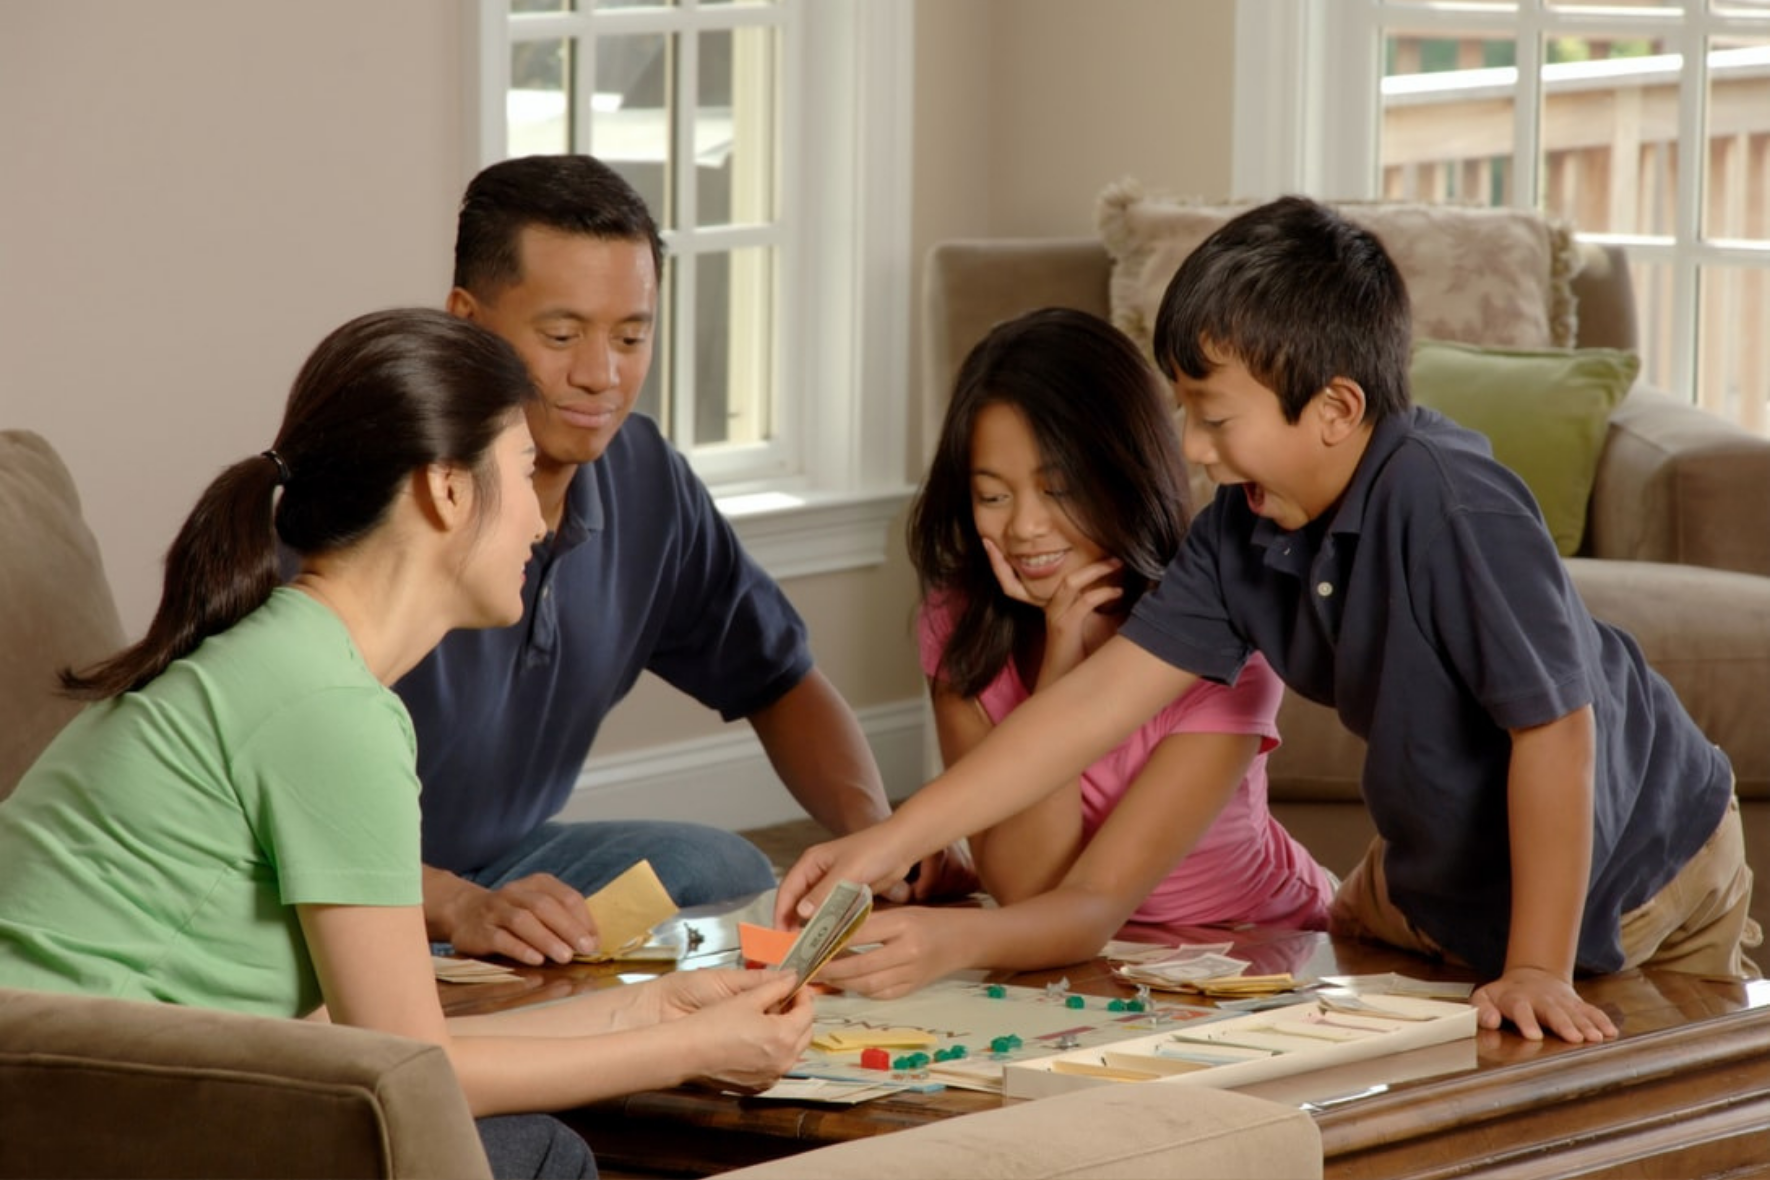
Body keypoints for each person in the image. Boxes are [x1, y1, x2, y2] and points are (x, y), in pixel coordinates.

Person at [778, 196, 1759, 1045]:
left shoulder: (1451, 501)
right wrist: (887, 841)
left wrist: (1539, 964)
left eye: (1214, 417)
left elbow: (1555, 730)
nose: (1195, 452)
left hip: (1637, 858)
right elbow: (1083, 714)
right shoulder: (1239, 536)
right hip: (1442, 874)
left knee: (1618, 1092)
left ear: (1334, 408)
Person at [0, 309, 815, 1180]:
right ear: (448, 490)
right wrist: (688, 1052)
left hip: (82, 1102)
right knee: (537, 1153)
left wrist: (660, 1012)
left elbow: (370, 1038)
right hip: (76, 1129)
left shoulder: (284, 659)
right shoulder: (328, 708)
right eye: (526, 471)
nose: (542, 525)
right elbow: (410, 1071)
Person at [397, 154, 974, 968]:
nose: (601, 375)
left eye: (632, 336)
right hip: (341, 889)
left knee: (720, 867)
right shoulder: (381, 498)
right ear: (466, 321)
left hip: (503, 861)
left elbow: (779, 678)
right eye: (561, 336)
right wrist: (455, 905)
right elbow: (264, 816)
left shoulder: (643, 476)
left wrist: (871, 837)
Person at [815, 308, 1334, 1000]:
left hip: (1251, 945)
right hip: (1076, 958)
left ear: (1125, 472)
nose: (1025, 527)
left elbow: (1090, 901)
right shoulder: (962, 624)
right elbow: (1026, 885)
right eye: (993, 495)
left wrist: (950, 937)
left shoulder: (1224, 637)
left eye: (1058, 490)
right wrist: (1061, 658)